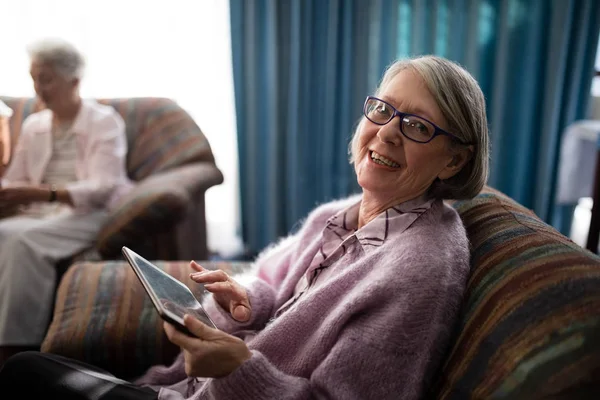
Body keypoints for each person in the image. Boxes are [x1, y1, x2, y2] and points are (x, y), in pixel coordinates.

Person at [0, 55, 489, 399]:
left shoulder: (419, 270)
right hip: (189, 386)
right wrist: (246, 297)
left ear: (454, 160)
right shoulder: (336, 217)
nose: (385, 132)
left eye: (418, 126)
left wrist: (238, 369)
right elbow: (276, 292)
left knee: (23, 372)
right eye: (383, 109)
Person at [0, 38, 133, 365]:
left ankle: (18, 348)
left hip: (89, 210)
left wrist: (41, 193)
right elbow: (16, 178)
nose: (37, 88)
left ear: (74, 81)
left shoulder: (104, 121)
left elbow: (103, 187)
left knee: (21, 240)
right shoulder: (34, 124)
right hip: (41, 211)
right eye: (34, 78)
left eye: (46, 79)